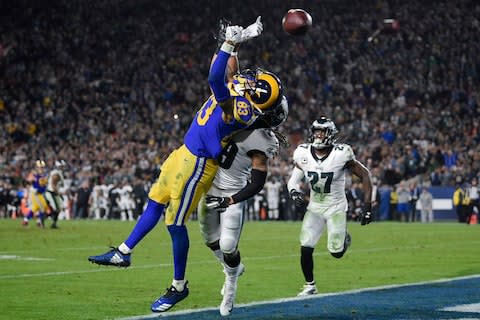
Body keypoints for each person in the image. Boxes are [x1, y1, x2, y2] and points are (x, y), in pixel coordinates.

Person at [88, 16, 284, 313]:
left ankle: (178, 287)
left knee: (174, 222)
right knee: (155, 200)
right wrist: (238, 39)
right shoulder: (243, 94)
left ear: (255, 97)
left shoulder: (241, 110)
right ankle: (123, 252)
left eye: (256, 83)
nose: (250, 78)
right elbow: (224, 66)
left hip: (198, 164)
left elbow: (215, 78)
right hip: (183, 152)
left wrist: (231, 43)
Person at [198, 96, 289, 316]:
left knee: (228, 245)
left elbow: (258, 182)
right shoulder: (234, 117)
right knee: (210, 240)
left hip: (232, 193)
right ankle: (234, 268)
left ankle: (230, 284)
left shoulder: (262, 140)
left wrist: (230, 200)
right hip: (209, 188)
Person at [287, 117, 373, 296]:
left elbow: (365, 175)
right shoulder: (302, 152)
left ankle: (344, 240)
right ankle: (310, 285)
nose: (318, 135)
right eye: (316, 131)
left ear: (330, 134)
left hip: (336, 207)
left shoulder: (341, 153)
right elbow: (293, 181)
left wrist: (367, 206)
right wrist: (294, 192)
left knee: (336, 252)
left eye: (322, 131)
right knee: (305, 245)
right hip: (315, 206)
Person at [23, 160, 49, 227]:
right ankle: (39, 222)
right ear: (37, 167)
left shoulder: (44, 174)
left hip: (40, 193)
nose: (41, 169)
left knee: (36, 207)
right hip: (36, 192)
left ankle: (26, 220)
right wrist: (31, 183)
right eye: (40, 167)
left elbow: (44, 184)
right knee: (42, 206)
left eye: (42, 167)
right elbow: (27, 182)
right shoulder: (34, 174)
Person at [44, 160, 66, 228]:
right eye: (62, 166)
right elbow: (53, 184)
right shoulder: (56, 174)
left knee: (58, 208)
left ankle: (53, 223)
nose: (63, 167)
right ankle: (42, 219)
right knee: (56, 209)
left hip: (52, 192)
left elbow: (47, 180)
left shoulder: (56, 172)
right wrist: (58, 193)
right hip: (51, 192)